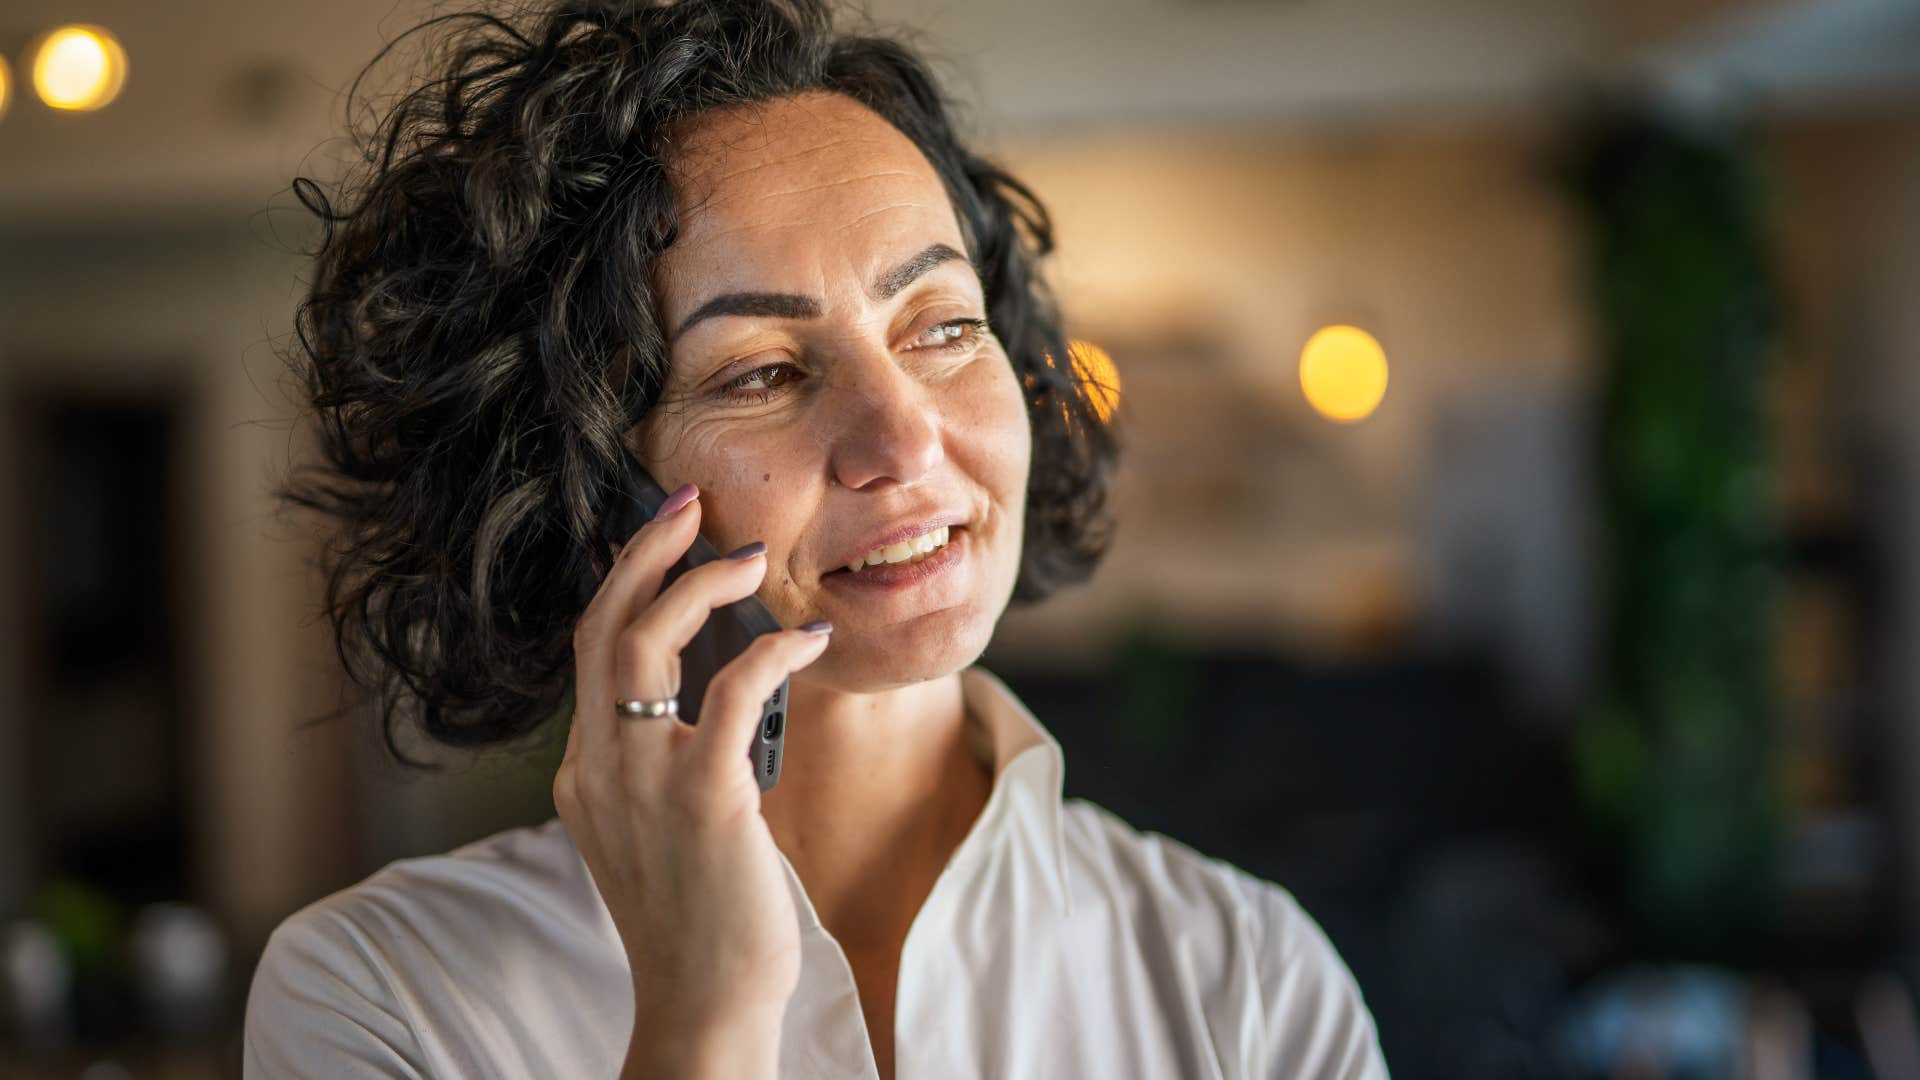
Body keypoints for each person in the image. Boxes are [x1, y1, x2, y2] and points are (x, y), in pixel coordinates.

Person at [245, 0, 1390, 1076]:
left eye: (944, 326)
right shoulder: (386, 996)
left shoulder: (1249, 979)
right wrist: (703, 1019)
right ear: (582, 489)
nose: (906, 438)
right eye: (763, 374)